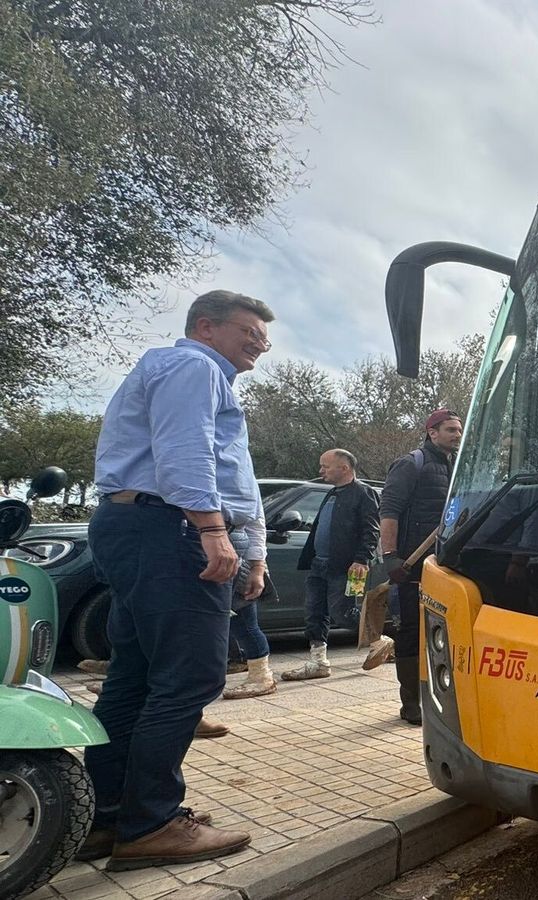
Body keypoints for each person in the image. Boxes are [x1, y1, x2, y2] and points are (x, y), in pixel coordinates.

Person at [82, 290, 270, 869]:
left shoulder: (183, 371)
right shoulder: (192, 365)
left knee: (134, 679)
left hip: (143, 526)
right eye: (250, 332)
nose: (260, 344)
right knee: (189, 679)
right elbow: (184, 452)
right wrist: (213, 531)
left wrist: (251, 546)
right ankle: (153, 824)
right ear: (206, 327)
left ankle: (107, 817)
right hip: (171, 529)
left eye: (266, 338)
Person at [379, 409, 462, 725]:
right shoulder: (410, 464)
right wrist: (390, 556)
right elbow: (389, 511)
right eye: (451, 430)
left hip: (440, 567)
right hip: (409, 568)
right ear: (432, 432)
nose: (457, 434)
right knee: (410, 633)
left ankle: (436, 700)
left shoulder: (452, 467)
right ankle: (411, 704)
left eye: (458, 430)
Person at [277, 449, 379, 681]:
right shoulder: (332, 493)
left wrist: (362, 559)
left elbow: (371, 529)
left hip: (345, 567)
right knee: (314, 612)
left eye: (325, 466)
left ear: (344, 468)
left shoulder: (364, 493)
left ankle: (379, 641)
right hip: (318, 564)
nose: (320, 470)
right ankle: (318, 660)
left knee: (342, 613)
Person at [220, 507, 276, 699]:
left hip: (235, 554)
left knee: (245, 624)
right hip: (230, 549)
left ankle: (261, 677)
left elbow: (256, 523)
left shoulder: (238, 482)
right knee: (240, 625)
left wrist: (258, 566)